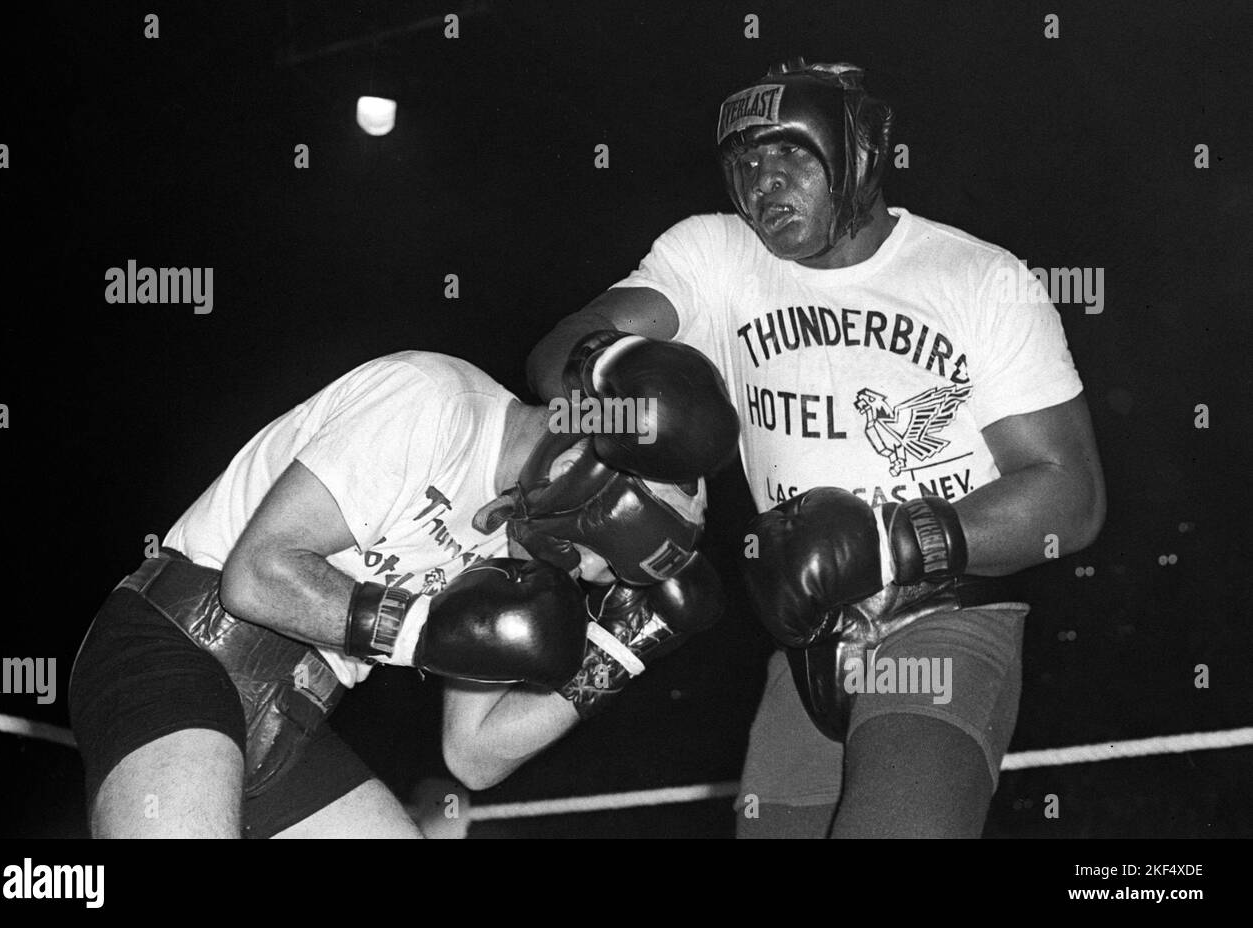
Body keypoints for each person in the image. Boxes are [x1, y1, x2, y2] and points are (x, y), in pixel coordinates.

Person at [527, 58, 1106, 838]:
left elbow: (1071, 496)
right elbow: (556, 352)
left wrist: (885, 541)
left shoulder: (979, 279)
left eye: (791, 153)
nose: (765, 181)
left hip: (944, 618)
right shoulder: (718, 256)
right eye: (745, 162)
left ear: (859, 151)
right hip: (803, 639)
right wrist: (610, 386)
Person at [69, 343, 736, 838]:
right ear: (582, 471)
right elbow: (258, 575)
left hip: (291, 721)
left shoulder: (521, 543)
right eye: (609, 549)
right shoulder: (430, 403)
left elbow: (473, 754)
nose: (592, 578)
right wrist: (425, 632)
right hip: (181, 651)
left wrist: (619, 652)